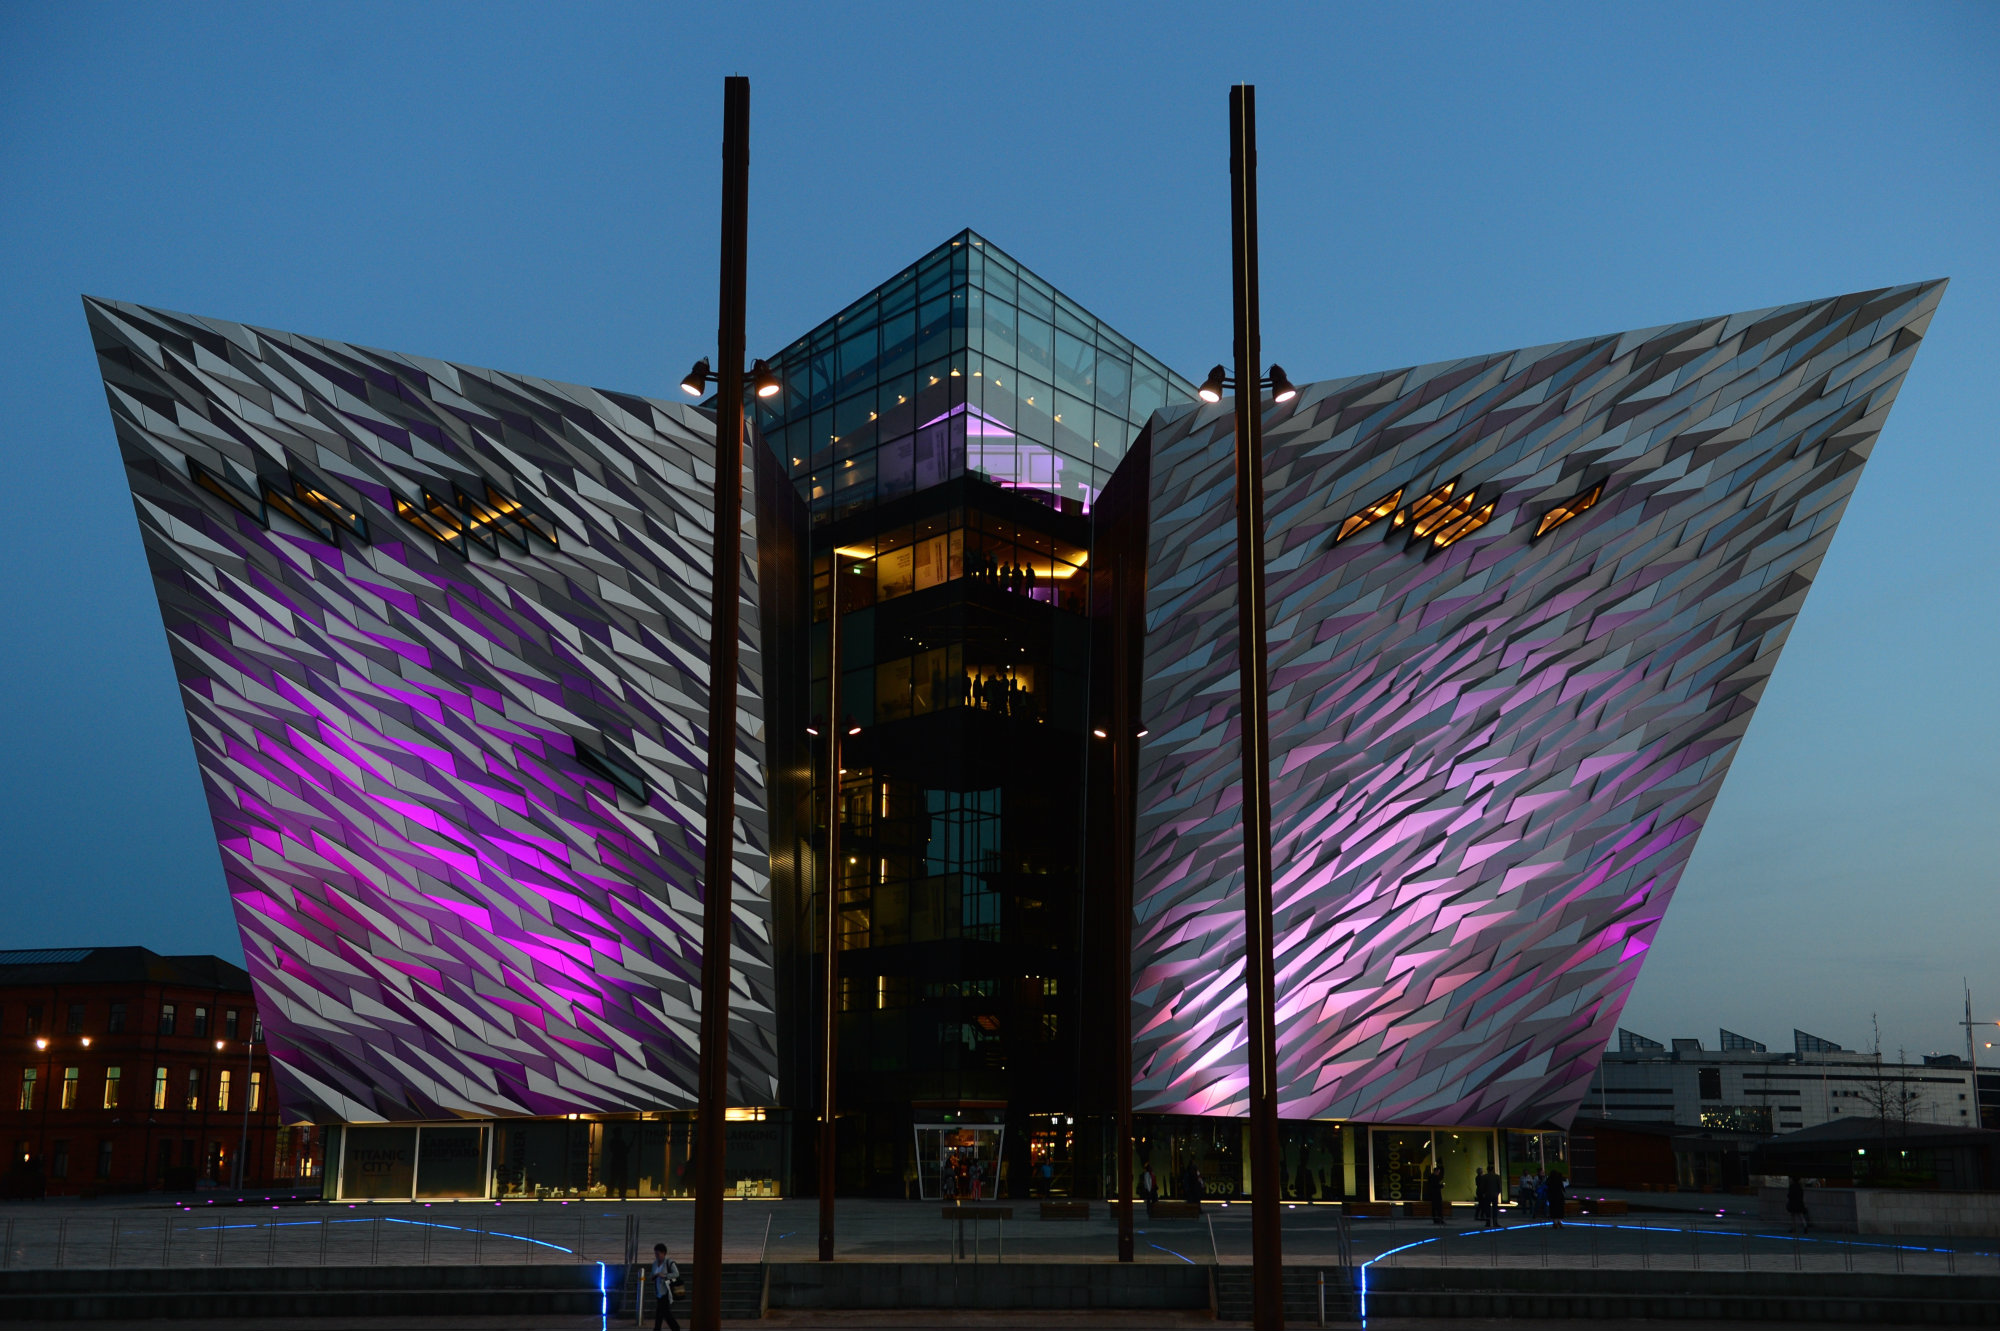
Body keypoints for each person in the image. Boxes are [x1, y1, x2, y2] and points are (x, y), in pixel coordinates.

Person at [649, 1243, 681, 1331]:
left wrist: (664, 1275)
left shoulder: (669, 1263)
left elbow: (676, 1274)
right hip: (658, 1291)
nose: (656, 1256)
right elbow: (652, 1274)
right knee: (662, 1312)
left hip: (666, 1291)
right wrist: (654, 1276)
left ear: (664, 1253)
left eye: (658, 1254)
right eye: (655, 1254)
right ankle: (673, 1328)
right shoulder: (655, 1264)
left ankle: (671, 1328)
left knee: (663, 1312)